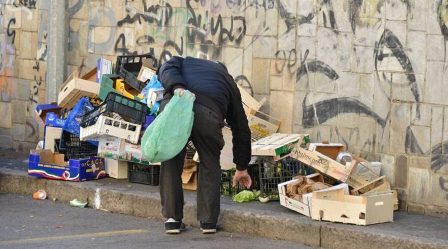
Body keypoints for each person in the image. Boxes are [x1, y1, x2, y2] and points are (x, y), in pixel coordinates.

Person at [156, 56, 252, 234]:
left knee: (171, 158)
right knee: (210, 162)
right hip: (208, 115)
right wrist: (241, 167)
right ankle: (208, 222)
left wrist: (178, 88)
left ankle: (172, 219)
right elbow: (241, 128)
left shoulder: (183, 61)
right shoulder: (227, 81)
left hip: (176, 108)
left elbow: (165, 67)